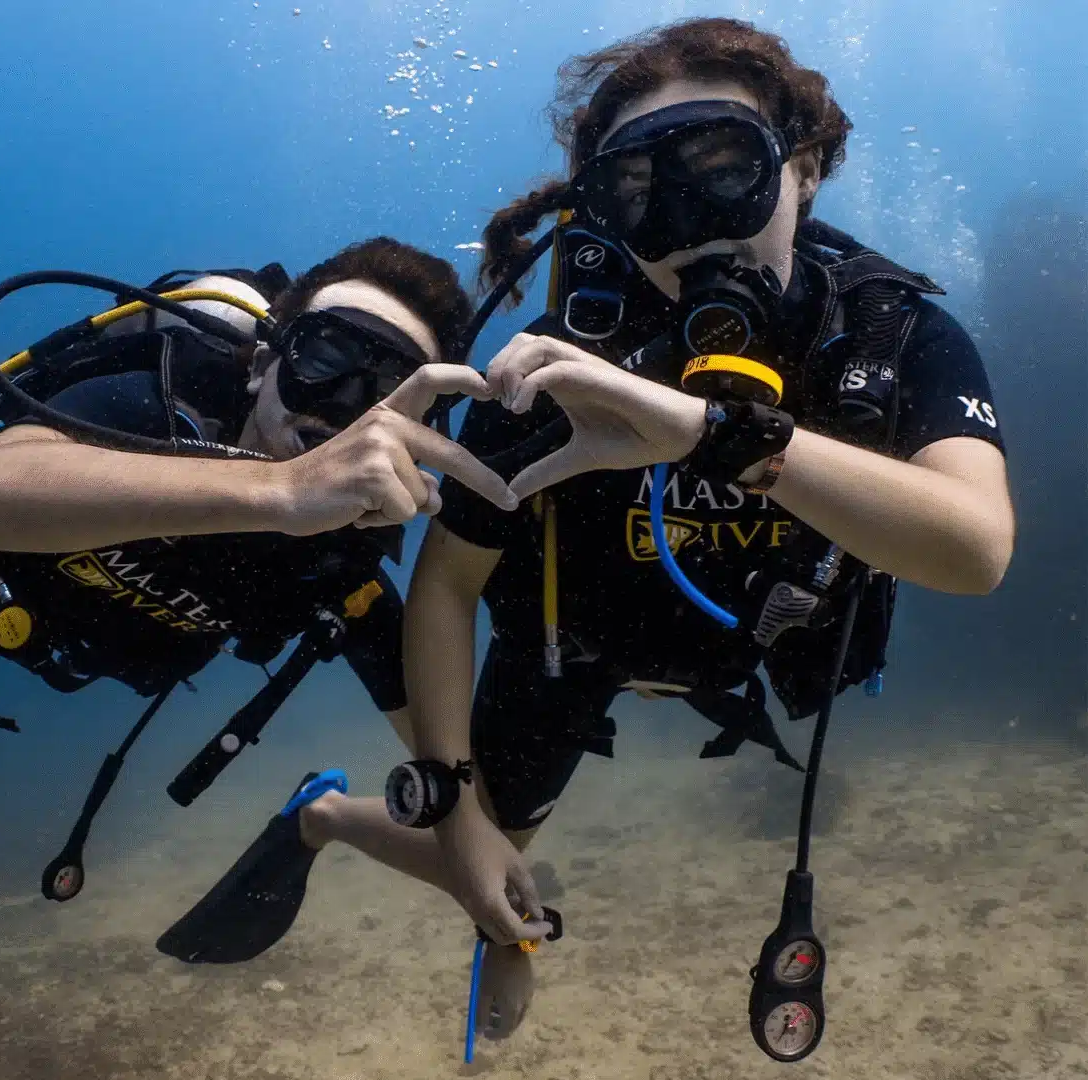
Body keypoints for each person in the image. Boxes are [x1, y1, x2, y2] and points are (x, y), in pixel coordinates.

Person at [399, 16, 1016, 1044]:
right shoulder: (554, 368)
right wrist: (454, 805)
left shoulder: (887, 332)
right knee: (482, 853)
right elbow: (447, 583)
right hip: (578, 650)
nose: (688, 230)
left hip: (764, 642)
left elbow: (974, 548)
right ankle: (350, 833)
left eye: (723, 169)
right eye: (640, 195)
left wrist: (713, 435)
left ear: (804, 168)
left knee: (480, 849)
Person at [0, 239, 519, 953]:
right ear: (265, 360)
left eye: (384, 389)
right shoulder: (159, 400)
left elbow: (432, 739)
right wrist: (281, 491)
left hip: (89, 637)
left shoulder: (337, 562)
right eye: (325, 358)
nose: (342, 407)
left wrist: (472, 847)